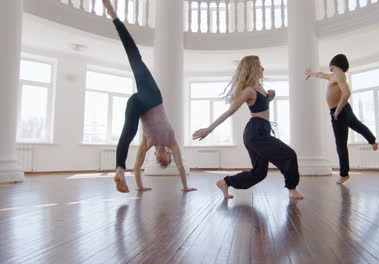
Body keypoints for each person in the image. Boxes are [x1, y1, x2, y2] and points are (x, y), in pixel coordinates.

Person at [102, 0, 196, 193]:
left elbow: (137, 167)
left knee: (127, 133)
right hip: (152, 97)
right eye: (165, 161)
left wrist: (140, 187)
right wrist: (185, 186)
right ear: (168, 154)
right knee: (135, 58)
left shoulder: (147, 143)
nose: (161, 161)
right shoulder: (171, 141)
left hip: (137, 102)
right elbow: (179, 166)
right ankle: (114, 16)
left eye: (160, 162)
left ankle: (119, 169)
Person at [192, 56, 303, 199]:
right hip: (255, 132)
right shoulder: (249, 90)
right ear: (253, 68)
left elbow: (261, 107)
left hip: (262, 129)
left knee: (259, 173)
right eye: (259, 65)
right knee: (289, 154)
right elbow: (230, 111)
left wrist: (269, 98)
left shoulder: (259, 87)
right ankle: (292, 188)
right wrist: (209, 129)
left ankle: (225, 182)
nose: (262, 68)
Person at [305, 54, 378, 184]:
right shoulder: (334, 76)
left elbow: (347, 92)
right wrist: (312, 74)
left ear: (333, 65)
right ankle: (372, 141)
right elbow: (322, 75)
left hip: (339, 111)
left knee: (340, 143)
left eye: (330, 66)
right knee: (358, 126)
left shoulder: (338, 75)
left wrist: (338, 110)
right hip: (344, 110)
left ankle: (344, 174)